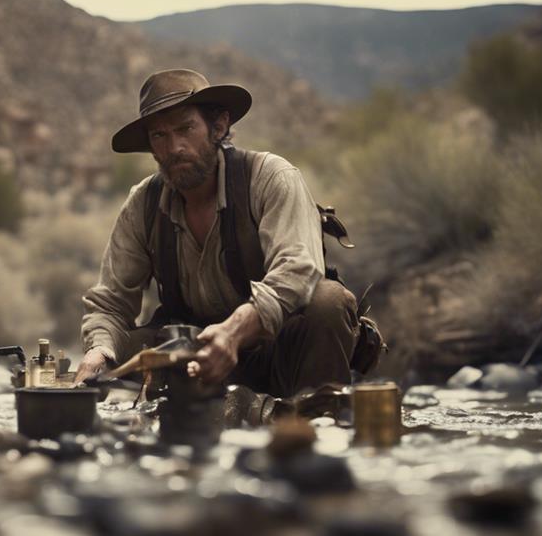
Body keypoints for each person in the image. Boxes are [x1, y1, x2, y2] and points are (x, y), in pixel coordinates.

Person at [75, 69, 361, 399]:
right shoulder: (144, 203)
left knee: (328, 301)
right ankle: (160, 423)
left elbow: (299, 269)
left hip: (276, 351)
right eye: (159, 136)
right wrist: (99, 353)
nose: (174, 147)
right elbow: (110, 303)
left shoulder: (269, 177)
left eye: (185, 128)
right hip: (193, 360)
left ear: (219, 127)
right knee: (117, 347)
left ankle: (317, 420)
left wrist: (235, 330)